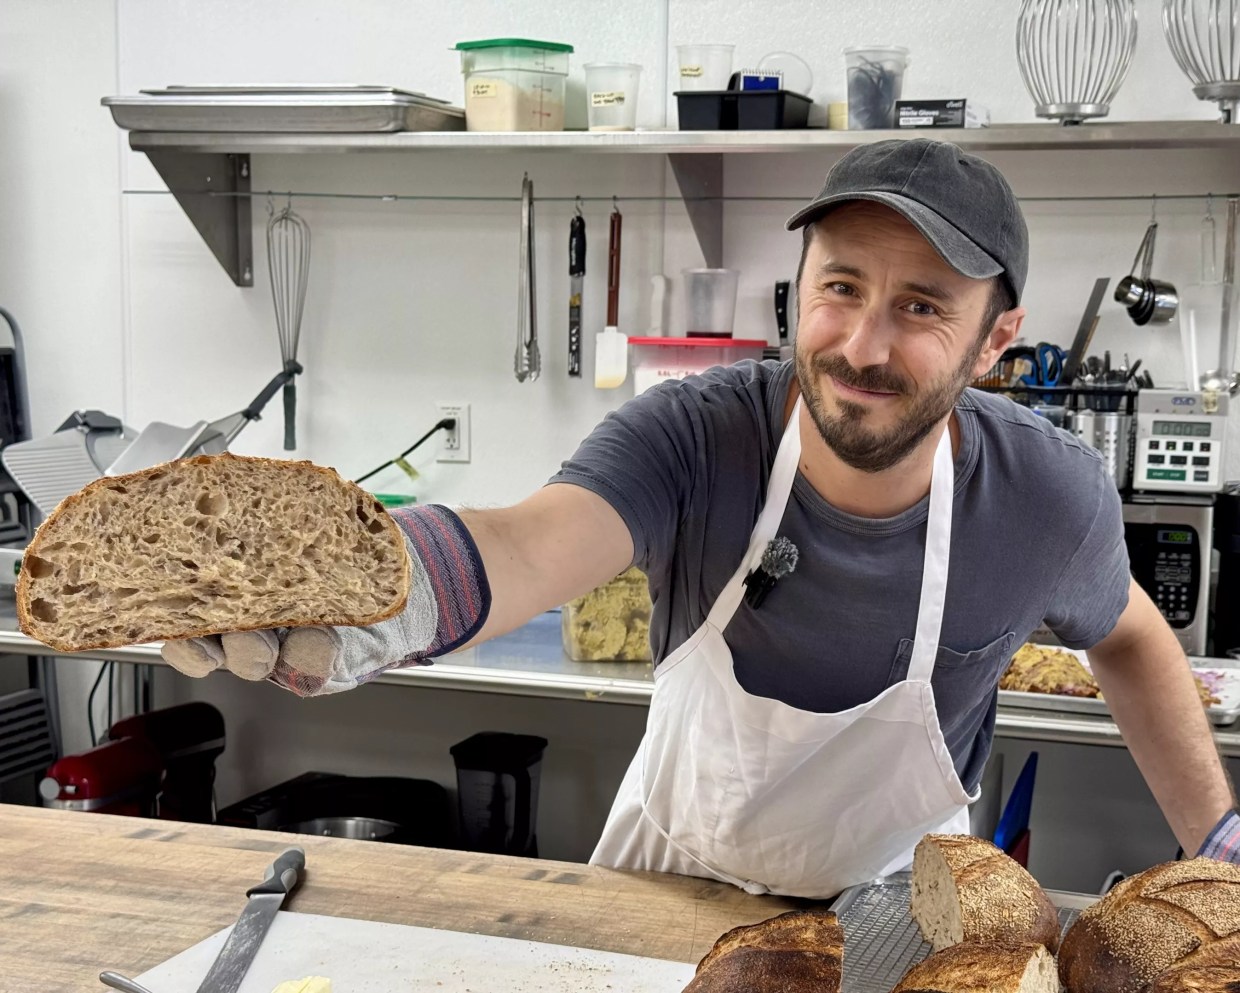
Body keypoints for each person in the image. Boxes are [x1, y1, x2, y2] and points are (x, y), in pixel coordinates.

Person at [163, 138, 1240, 897]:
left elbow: (1135, 640)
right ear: (797, 294)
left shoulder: (1044, 497)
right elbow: (533, 542)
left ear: (994, 341)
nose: (864, 345)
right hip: (664, 887)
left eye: (921, 307)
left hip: (903, 917)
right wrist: (363, 606)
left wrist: (1220, 851)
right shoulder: (694, 435)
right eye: (841, 288)